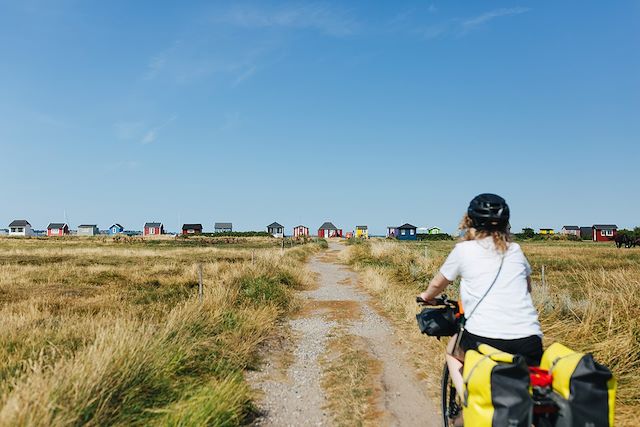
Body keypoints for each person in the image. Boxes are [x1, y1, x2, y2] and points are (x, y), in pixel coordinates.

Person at [418, 193, 542, 399]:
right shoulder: (516, 249)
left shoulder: (464, 250)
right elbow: (527, 288)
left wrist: (426, 296)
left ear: (471, 221)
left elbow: (437, 284)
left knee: (452, 353)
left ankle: (469, 401)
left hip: (483, 338)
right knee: (533, 393)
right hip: (529, 340)